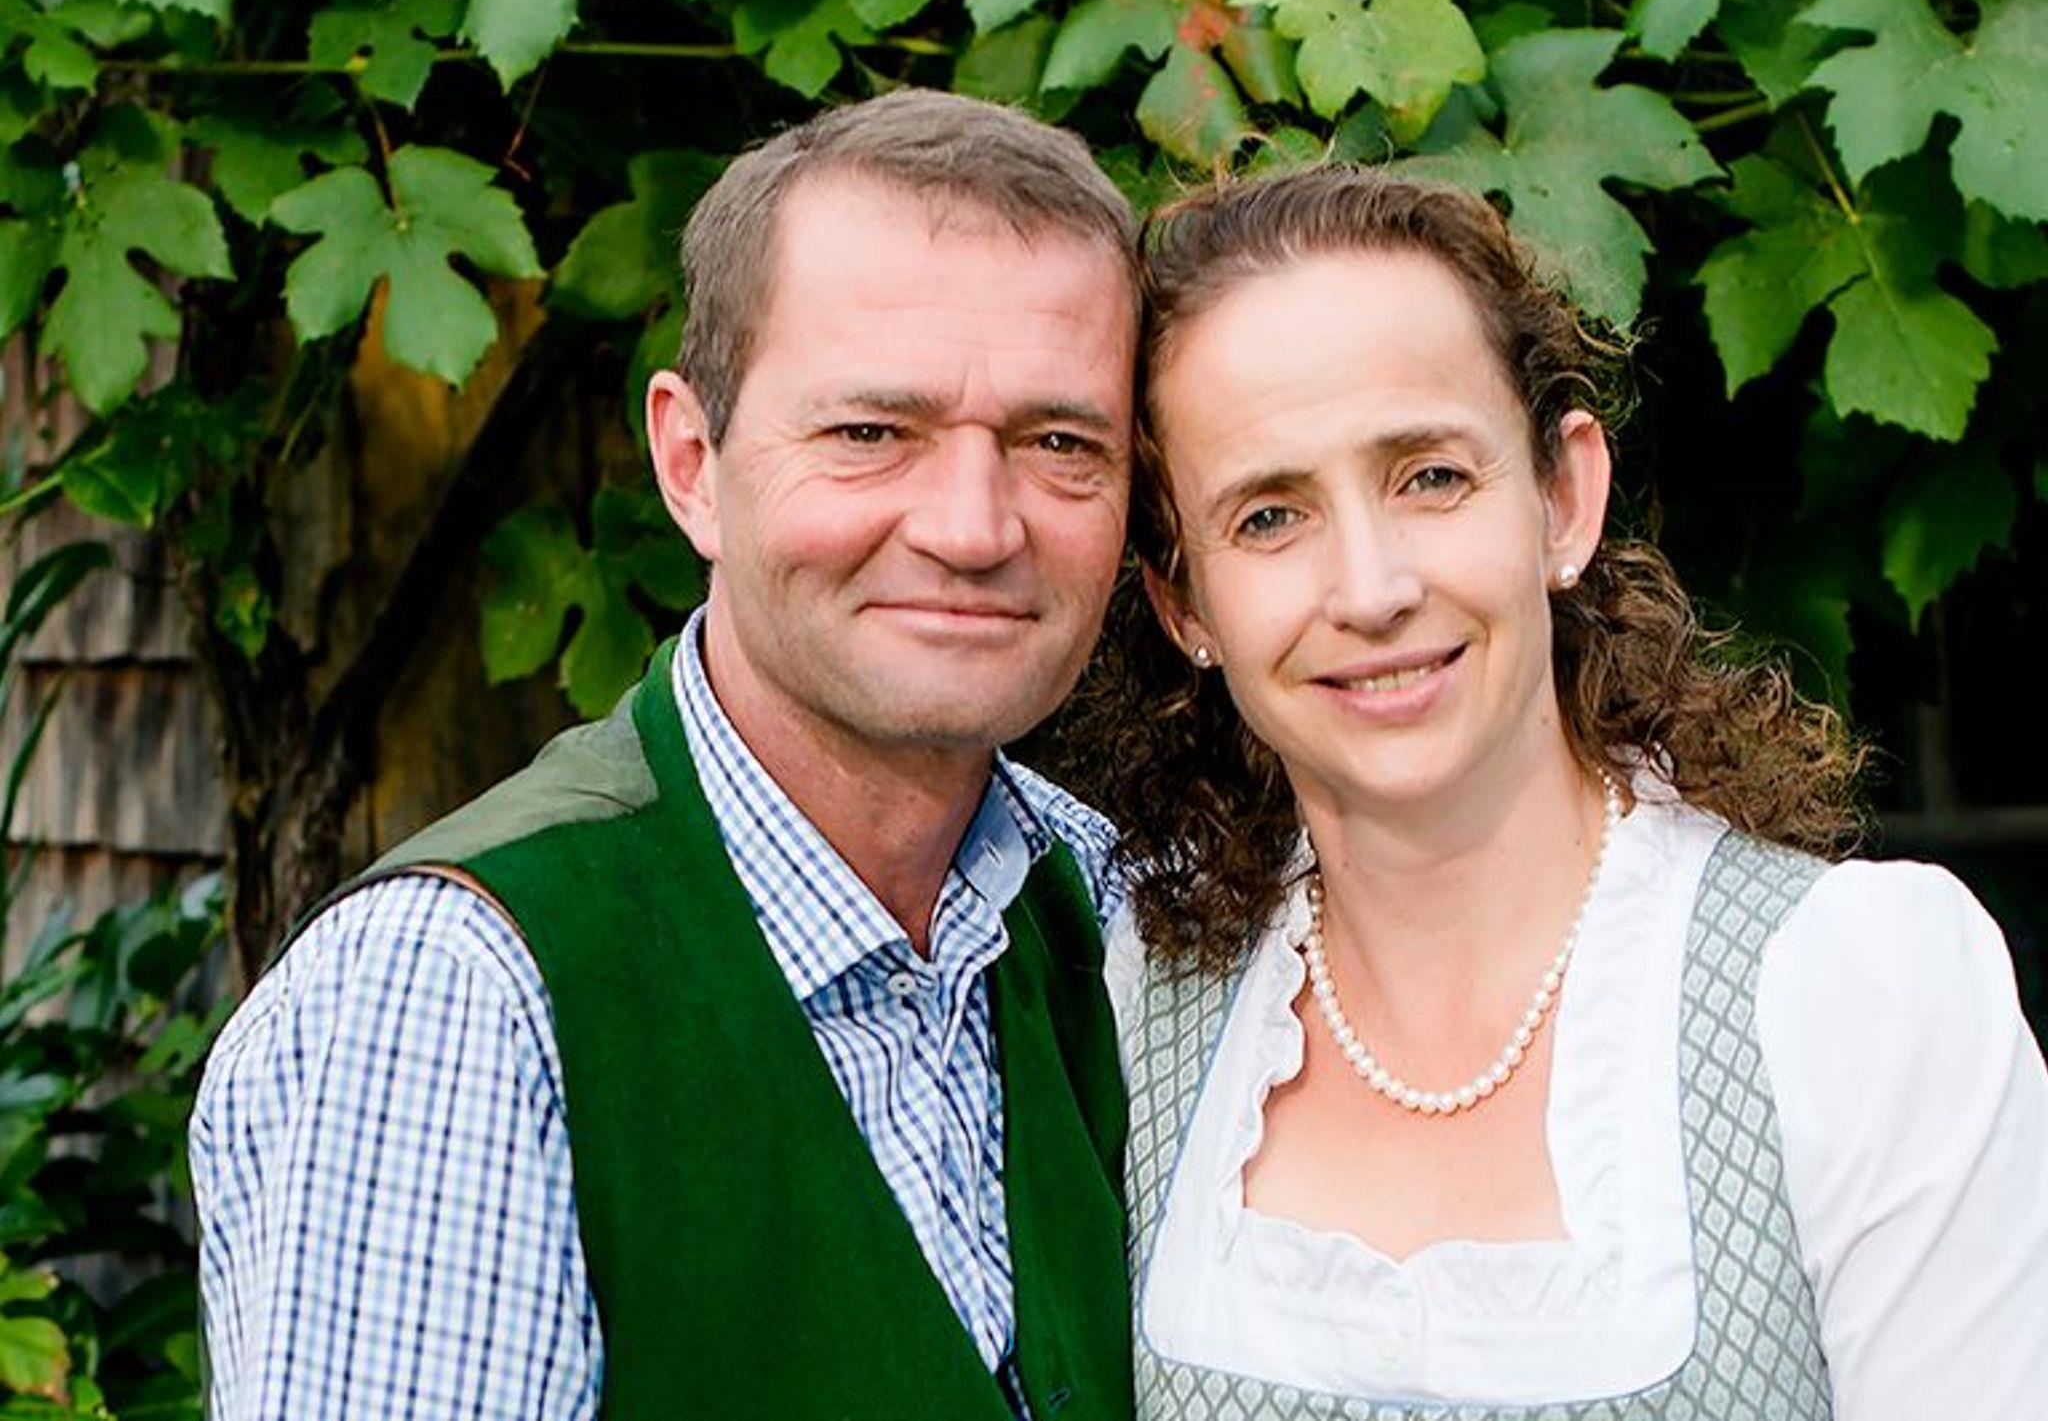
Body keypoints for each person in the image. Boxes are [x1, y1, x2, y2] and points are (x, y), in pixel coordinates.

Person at [190, 89, 1142, 1421]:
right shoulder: (457, 996)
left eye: (1059, 443)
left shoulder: (1103, 900)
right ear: (692, 463)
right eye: (871, 433)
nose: (974, 527)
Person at [1076, 166, 2048, 1418]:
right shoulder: (1131, 996)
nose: (1370, 589)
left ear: (1560, 498)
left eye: (1429, 475)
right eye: (1268, 515)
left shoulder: (1855, 997)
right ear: (1183, 606)